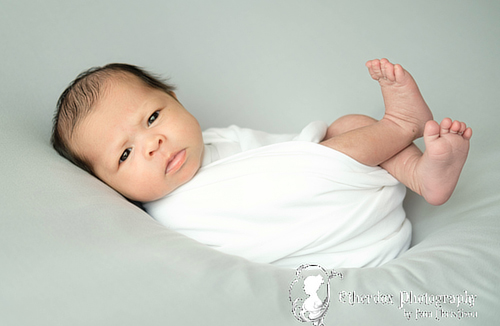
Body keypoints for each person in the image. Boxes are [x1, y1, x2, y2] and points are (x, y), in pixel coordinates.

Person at [51, 58, 472, 267]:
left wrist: (318, 153)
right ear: (109, 187)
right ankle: (401, 125)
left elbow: (289, 151)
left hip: (325, 188)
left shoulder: (220, 139)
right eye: (125, 154)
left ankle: (422, 174)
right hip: (334, 234)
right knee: (335, 151)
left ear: (176, 100)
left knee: (346, 126)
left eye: (153, 117)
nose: (153, 142)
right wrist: (319, 159)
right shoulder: (170, 211)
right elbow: (294, 177)